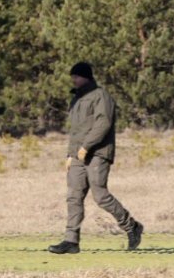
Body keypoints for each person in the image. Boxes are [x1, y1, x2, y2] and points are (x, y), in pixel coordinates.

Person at [48, 62, 143, 254]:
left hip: (98, 153)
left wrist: (86, 146)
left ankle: (131, 226)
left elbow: (103, 124)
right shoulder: (76, 99)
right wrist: (70, 154)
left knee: (100, 196)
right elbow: (76, 131)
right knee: (73, 196)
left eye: (76, 76)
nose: (73, 80)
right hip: (77, 155)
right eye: (72, 77)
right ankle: (71, 240)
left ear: (86, 77)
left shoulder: (101, 96)